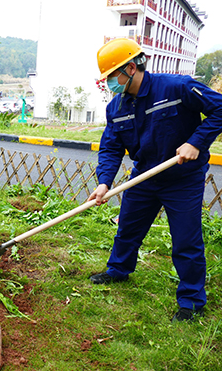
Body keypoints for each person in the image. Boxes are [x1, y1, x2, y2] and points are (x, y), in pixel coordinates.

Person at [88, 38, 222, 322]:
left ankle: (191, 301)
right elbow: (111, 147)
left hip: (182, 179)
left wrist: (196, 141)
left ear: (131, 67)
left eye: (112, 76)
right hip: (144, 177)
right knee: (128, 229)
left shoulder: (176, 87)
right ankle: (118, 270)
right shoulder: (116, 107)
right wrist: (104, 182)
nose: (109, 83)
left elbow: (219, 109)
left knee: (186, 240)